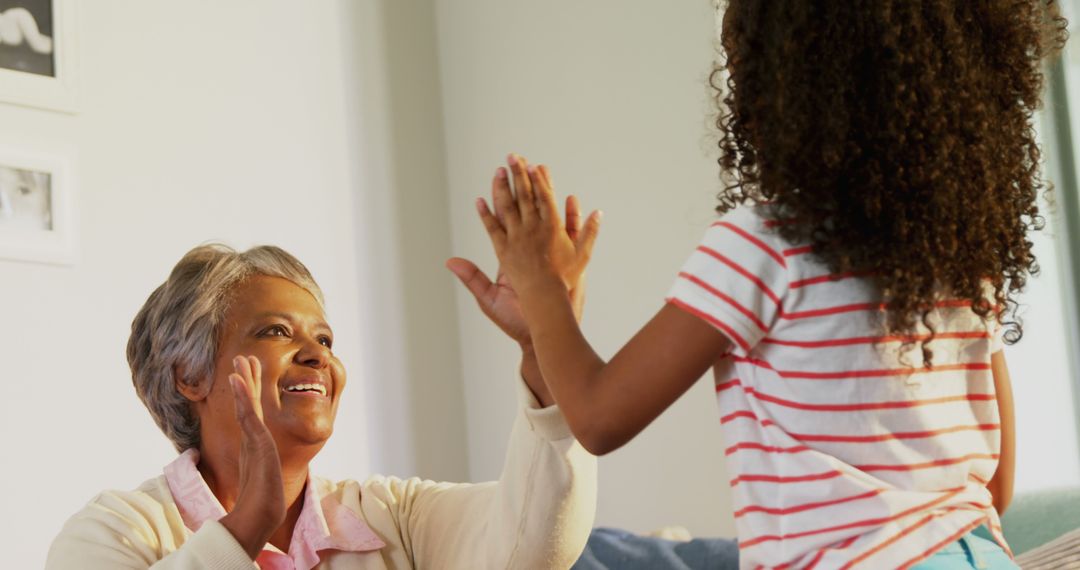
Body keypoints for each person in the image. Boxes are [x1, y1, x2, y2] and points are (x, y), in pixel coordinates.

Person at [467, 1, 1068, 567]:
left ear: (784, 87)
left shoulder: (764, 244)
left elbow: (598, 419)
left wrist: (544, 288)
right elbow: (996, 486)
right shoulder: (961, 255)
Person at [46, 196, 599, 569]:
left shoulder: (390, 517)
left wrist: (545, 346)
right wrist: (244, 529)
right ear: (190, 375)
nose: (316, 355)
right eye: (276, 331)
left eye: (326, 340)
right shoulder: (115, 530)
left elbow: (530, 542)